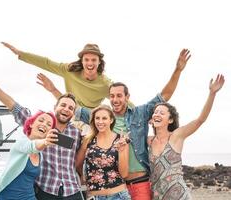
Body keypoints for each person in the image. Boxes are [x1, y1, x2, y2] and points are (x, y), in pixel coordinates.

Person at [74, 49, 191, 200]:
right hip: (115, 186)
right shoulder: (103, 117)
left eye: (119, 96)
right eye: (111, 96)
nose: (115, 100)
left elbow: (165, 95)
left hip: (140, 183)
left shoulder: (140, 113)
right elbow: (71, 109)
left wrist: (178, 70)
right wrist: (52, 89)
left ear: (127, 97)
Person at [0, 68, 84, 200]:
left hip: (71, 190)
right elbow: (13, 105)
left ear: (73, 114)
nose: (66, 109)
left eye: (71, 108)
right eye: (63, 105)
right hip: (46, 189)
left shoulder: (76, 133)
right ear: (55, 107)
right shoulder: (39, 124)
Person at [148, 74, 225, 200]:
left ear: (170, 120)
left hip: (179, 196)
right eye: (155, 112)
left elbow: (200, 120)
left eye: (162, 113)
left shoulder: (176, 136)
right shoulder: (149, 141)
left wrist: (212, 94)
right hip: (158, 197)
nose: (157, 114)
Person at [1, 42, 134, 109]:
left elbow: (122, 99)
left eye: (94, 60)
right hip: (70, 110)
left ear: (99, 62)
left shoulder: (104, 83)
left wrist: (143, 114)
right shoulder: (69, 70)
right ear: (82, 61)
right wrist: (21, 54)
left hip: (89, 117)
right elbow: (47, 63)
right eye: (86, 59)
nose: (90, 63)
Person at [76, 105, 131, 200]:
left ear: (111, 120)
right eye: (97, 118)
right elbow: (77, 164)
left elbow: (124, 174)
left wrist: (121, 150)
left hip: (118, 196)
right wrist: (84, 177)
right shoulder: (88, 140)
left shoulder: (121, 140)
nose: (100, 122)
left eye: (104, 118)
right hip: (94, 197)